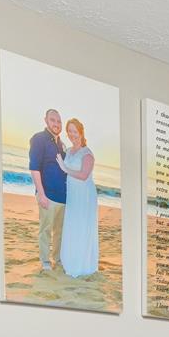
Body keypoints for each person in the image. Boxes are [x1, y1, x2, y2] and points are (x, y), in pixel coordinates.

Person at [58, 118, 99, 278]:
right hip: (73, 195)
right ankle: (69, 260)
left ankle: (81, 265)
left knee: (81, 227)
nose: (72, 134)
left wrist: (65, 168)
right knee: (72, 226)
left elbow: (83, 175)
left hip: (84, 196)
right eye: (69, 131)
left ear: (81, 132)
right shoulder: (68, 150)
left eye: (75, 131)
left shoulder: (87, 154)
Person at [28, 108, 68, 272]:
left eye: (59, 121)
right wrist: (41, 194)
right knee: (45, 230)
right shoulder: (38, 139)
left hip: (63, 198)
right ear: (46, 120)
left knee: (60, 232)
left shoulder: (61, 144)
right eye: (53, 120)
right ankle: (45, 261)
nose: (56, 124)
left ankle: (57, 260)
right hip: (48, 196)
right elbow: (34, 168)